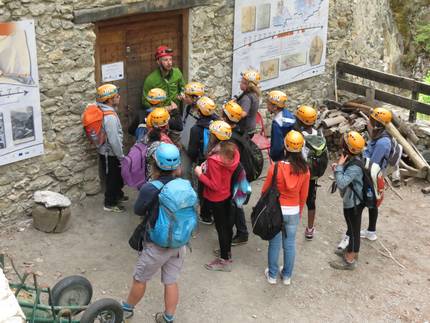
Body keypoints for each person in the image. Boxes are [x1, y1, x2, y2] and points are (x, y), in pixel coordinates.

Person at [122, 143, 184, 323]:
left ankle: (126, 311)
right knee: (171, 281)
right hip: (180, 242)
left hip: (156, 243)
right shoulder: (184, 185)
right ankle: (168, 317)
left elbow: (139, 210)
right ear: (178, 166)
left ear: (154, 165)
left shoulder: (150, 187)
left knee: (140, 279)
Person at [337, 107, 392, 249]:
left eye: (371, 120)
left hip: (370, 177)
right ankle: (370, 231)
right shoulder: (379, 137)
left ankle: (350, 236)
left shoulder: (382, 143)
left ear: (377, 124)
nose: (368, 122)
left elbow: (371, 164)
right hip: (370, 174)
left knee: (359, 206)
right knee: (371, 202)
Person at [262, 130, 310, 285]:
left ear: (285, 147)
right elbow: (304, 196)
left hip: (276, 210)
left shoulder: (275, 168)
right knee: (289, 245)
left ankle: (272, 275)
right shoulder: (305, 170)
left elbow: (264, 191)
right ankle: (287, 276)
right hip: (293, 211)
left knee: (274, 243)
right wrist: (300, 212)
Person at [194, 121, 240, 272]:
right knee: (226, 225)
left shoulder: (215, 160)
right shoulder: (233, 150)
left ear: (215, 137)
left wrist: (200, 174)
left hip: (216, 197)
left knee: (221, 228)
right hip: (227, 193)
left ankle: (224, 261)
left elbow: (214, 184)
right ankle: (226, 252)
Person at [330, 131, 366, 271]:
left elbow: (341, 183)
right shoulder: (354, 158)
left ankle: (350, 260)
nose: (341, 143)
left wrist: (339, 168)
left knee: (354, 229)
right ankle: (350, 252)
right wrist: (339, 167)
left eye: (343, 142)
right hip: (352, 201)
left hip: (354, 203)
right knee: (351, 227)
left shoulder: (355, 166)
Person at [142, 46, 185, 144]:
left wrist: (181, 94)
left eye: (170, 59)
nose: (169, 62)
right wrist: (167, 108)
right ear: (158, 61)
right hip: (159, 119)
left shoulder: (177, 73)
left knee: (175, 143)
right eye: (165, 60)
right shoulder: (151, 79)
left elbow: (183, 87)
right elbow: (145, 103)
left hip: (174, 116)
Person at [221, 100, 249, 245]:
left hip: (236, 175)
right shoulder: (239, 130)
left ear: (226, 118)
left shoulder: (230, 139)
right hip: (241, 172)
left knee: (235, 204)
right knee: (237, 203)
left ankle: (242, 233)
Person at [96, 84, 127, 212]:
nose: (119, 97)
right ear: (109, 100)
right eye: (116, 96)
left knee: (116, 176)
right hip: (111, 154)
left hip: (108, 152)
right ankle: (109, 203)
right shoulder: (110, 117)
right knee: (112, 178)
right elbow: (114, 140)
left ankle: (117, 195)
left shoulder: (105, 110)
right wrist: (121, 156)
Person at [294, 105, 319, 240]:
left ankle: (289, 223)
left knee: (293, 196)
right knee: (311, 200)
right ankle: (310, 228)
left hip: (299, 171)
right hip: (313, 174)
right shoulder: (318, 134)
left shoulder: (298, 136)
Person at [267, 90, 296, 161]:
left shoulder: (276, 123)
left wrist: (273, 155)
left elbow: (277, 146)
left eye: (268, 104)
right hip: (293, 152)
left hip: (281, 157)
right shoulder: (288, 115)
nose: (267, 105)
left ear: (275, 107)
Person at [235, 70, 261, 136]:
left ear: (248, 85)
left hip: (244, 130)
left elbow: (243, 113)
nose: (240, 83)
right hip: (251, 128)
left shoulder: (246, 98)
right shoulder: (254, 94)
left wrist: (231, 114)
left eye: (243, 82)